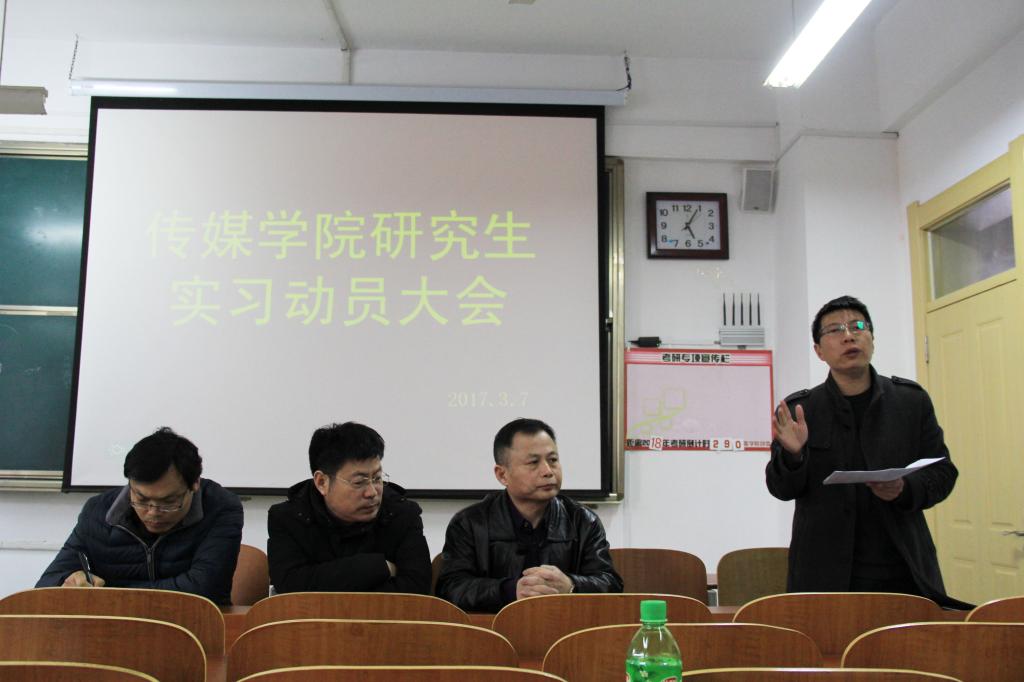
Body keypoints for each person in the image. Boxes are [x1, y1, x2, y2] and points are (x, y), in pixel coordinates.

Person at [767, 295, 970, 608]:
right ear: (819, 351)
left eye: (858, 326)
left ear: (872, 339)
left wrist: (905, 488)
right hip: (823, 574)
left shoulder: (910, 402)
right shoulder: (801, 410)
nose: (849, 335)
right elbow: (781, 489)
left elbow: (943, 473)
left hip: (903, 570)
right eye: (835, 330)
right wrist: (793, 456)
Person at [37, 427, 243, 604]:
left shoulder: (220, 508)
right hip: (113, 627)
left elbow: (203, 589)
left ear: (195, 483)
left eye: (168, 502)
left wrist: (107, 596)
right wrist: (67, 581)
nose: (153, 512)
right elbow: (46, 583)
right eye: (141, 499)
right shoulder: (98, 511)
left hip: (194, 624)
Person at [436, 418, 622, 612]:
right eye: (533, 462)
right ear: (502, 475)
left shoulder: (583, 521)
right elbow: (450, 589)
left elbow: (611, 584)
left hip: (565, 626)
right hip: (493, 628)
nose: (548, 471)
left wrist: (571, 586)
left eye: (553, 460)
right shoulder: (470, 523)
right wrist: (510, 590)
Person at [267, 421, 431, 594]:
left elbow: (416, 590)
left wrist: (330, 580)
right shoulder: (289, 518)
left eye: (377, 478)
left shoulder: (402, 514)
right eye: (359, 482)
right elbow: (292, 589)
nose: (372, 492)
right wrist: (377, 566)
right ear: (322, 482)